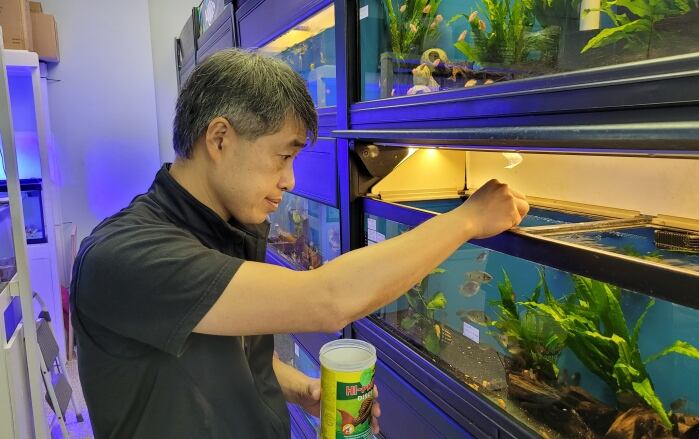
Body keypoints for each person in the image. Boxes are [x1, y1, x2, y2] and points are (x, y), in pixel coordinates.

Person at [70, 49, 530, 439]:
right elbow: (327, 299)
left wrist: (302, 388)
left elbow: (229, 353)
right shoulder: (127, 256)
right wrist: (467, 219)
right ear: (219, 138)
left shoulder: (220, 225)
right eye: (283, 155)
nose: (289, 179)